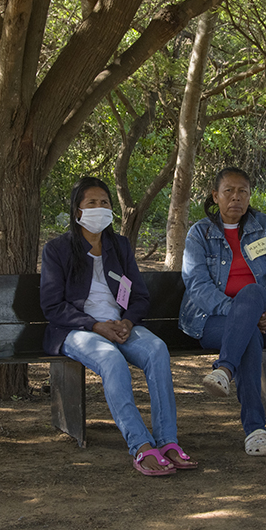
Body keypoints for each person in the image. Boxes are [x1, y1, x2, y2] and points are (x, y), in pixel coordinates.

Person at [39, 176, 195, 476]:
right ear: (77, 211)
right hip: (76, 330)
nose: (100, 208)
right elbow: (52, 307)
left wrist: (127, 321)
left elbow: (139, 296)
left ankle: (168, 442)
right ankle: (140, 445)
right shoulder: (57, 250)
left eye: (105, 203)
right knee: (111, 359)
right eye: (91, 203)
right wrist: (95, 326)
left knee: (157, 350)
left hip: (119, 325)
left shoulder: (119, 246)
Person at [178, 167, 266, 457]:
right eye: (229, 191)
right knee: (248, 337)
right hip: (212, 320)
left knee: (254, 292)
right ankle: (255, 430)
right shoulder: (199, 233)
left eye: (242, 191)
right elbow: (197, 284)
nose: (236, 197)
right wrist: (241, 315)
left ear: (250, 195)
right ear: (215, 196)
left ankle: (224, 370)